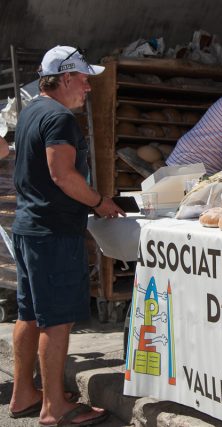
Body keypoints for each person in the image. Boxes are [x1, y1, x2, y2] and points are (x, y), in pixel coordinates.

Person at [10, 46, 123, 425]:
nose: (89, 88)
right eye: (85, 79)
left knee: (29, 314)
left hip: (29, 227)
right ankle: (54, 407)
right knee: (56, 320)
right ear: (66, 77)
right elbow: (62, 174)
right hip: (53, 231)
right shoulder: (58, 118)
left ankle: (24, 394)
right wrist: (99, 202)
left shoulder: (31, 111)